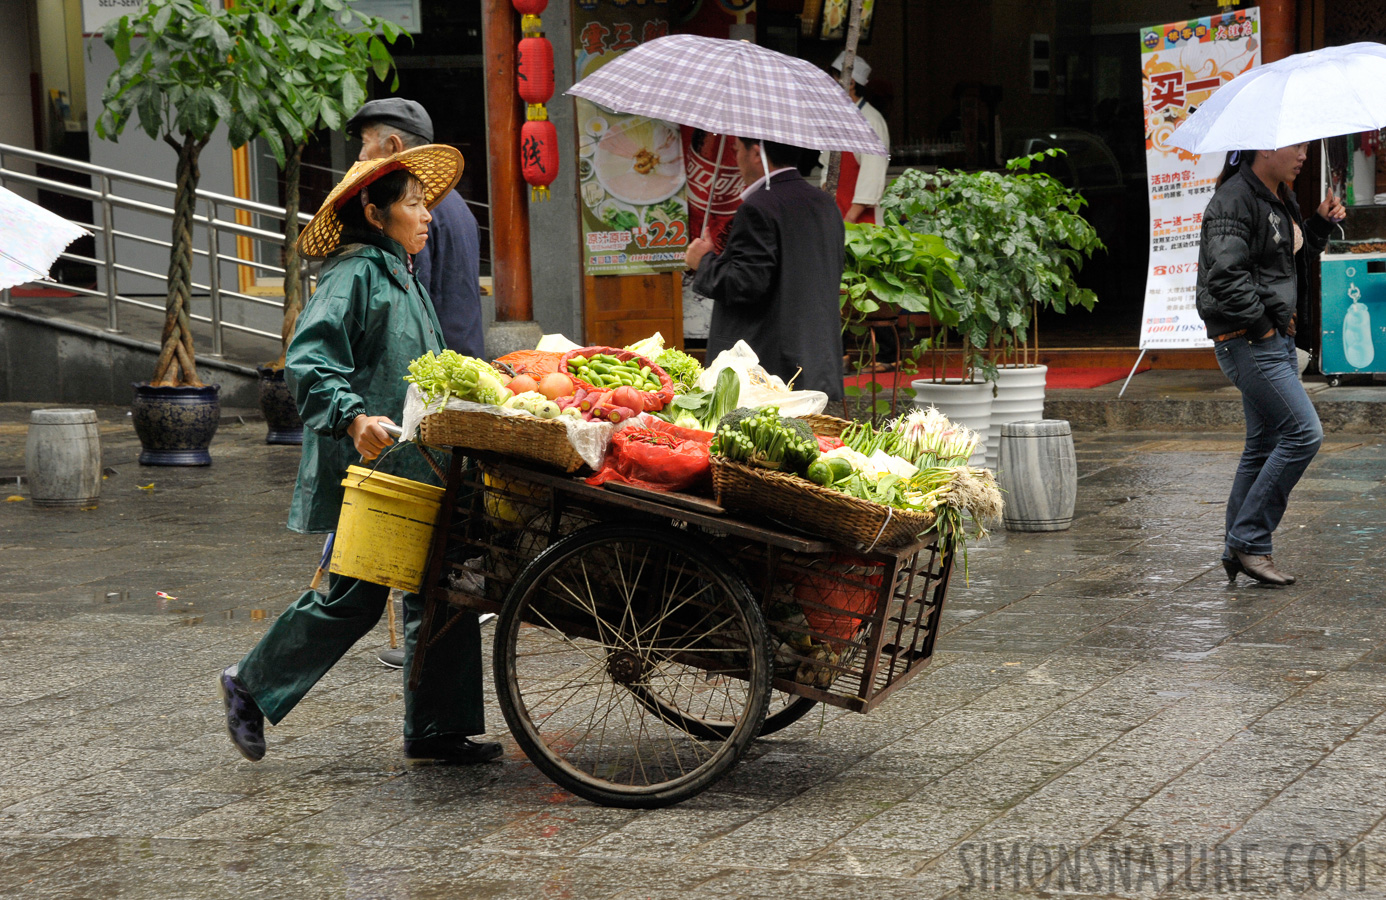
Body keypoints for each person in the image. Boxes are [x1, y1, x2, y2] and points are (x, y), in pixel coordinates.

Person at [218, 145, 501, 766]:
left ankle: (438, 728)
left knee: (445, 584)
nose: (427, 216)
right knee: (355, 595)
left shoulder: (400, 269)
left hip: (417, 465)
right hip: (372, 469)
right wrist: (350, 416)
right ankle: (250, 684)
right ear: (375, 213)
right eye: (413, 204)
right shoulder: (355, 273)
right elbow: (309, 359)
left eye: (426, 204)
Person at [347, 99, 485, 668]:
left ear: (393, 149)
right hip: (455, 386)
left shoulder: (413, 222)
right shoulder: (459, 211)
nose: (359, 158)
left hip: (428, 398)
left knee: (413, 540)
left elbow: (407, 319)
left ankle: (422, 641)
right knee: (433, 538)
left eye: (366, 145)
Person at [1196, 144, 1346, 586]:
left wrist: (1317, 223)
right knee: (1304, 434)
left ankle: (1235, 549)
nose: (1303, 154)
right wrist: (1262, 327)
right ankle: (1250, 541)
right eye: (1296, 146)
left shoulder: (1279, 194)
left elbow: (1285, 262)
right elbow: (1225, 276)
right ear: (1264, 148)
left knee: (1262, 446)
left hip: (1274, 336)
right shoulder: (1233, 199)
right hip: (1247, 339)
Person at [685, 136, 846, 400]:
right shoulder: (824, 204)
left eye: (737, 150)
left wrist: (702, 262)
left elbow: (745, 283)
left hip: (769, 369)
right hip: (817, 360)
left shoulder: (759, 208)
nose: (735, 160)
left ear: (756, 153)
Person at [817, 52, 890, 225]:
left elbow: (872, 175)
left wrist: (850, 219)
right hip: (837, 214)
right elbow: (827, 164)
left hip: (860, 221)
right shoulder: (836, 118)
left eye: (833, 79)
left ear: (850, 83)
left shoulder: (871, 120)